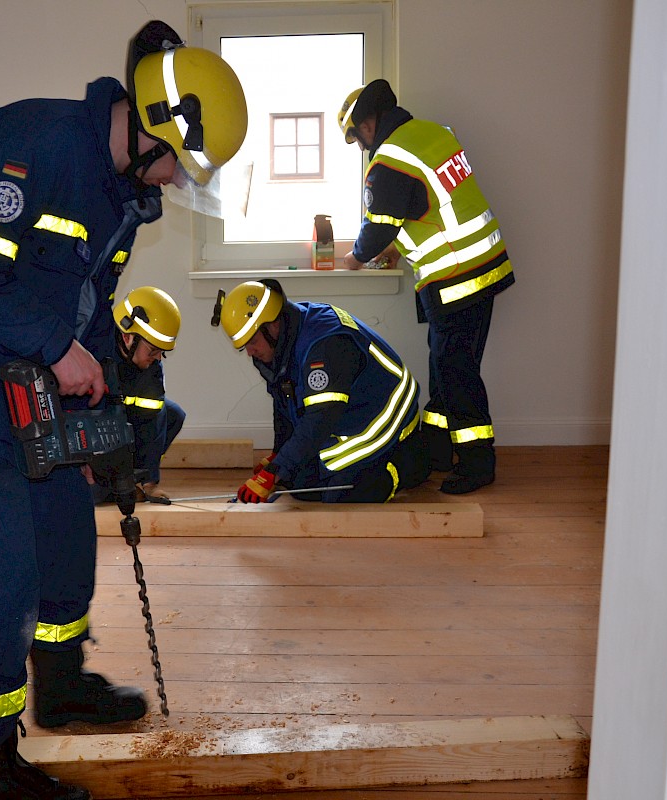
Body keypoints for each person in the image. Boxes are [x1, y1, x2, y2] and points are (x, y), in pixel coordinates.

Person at [0, 21, 246, 800]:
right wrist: (57, 350)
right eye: (176, 164)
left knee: (65, 535)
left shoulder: (120, 192)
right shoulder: (33, 143)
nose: (173, 181)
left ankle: (61, 689)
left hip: (22, 374)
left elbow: (86, 296)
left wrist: (103, 388)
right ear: (147, 131)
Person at [337, 79, 514, 494]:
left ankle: (476, 463)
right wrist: (400, 250)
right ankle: (435, 450)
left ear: (367, 124)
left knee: (456, 373)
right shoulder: (435, 134)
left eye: (357, 137)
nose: (362, 147)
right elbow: (432, 203)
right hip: (483, 266)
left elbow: (378, 227)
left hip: (456, 278)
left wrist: (353, 259)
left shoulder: (389, 159)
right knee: (446, 366)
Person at [212, 279, 429, 505]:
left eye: (252, 342)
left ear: (272, 325)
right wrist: (279, 456)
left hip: (386, 412)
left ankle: (408, 464)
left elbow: (321, 418)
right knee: (297, 484)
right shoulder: (279, 342)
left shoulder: (325, 344)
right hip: (348, 413)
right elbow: (283, 400)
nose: (249, 352)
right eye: (243, 346)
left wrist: (275, 472)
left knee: (342, 494)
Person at [91, 286, 185, 504]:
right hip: (97, 431)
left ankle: (127, 479)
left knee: (172, 414)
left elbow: (152, 423)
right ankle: (111, 484)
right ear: (127, 338)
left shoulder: (150, 368)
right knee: (91, 495)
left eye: (162, 351)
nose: (158, 358)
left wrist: (149, 482)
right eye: (153, 351)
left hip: (125, 423)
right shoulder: (95, 351)